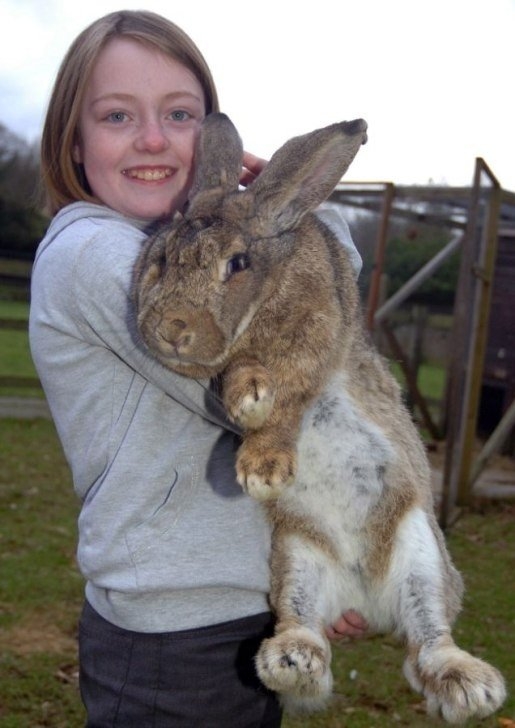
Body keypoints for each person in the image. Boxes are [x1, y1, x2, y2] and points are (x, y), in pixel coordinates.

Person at [29, 10, 366, 727]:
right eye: (117, 115)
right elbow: (269, 386)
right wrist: (281, 222)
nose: (153, 139)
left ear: (208, 139)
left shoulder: (184, 249)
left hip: (248, 604)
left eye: (179, 114)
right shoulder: (93, 256)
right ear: (76, 143)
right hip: (172, 637)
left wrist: (313, 572)